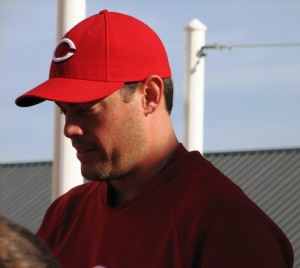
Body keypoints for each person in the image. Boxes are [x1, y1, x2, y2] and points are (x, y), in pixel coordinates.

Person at [15, 9, 294, 268]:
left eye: (86, 110)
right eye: (64, 111)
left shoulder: (229, 227)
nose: (70, 129)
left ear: (149, 95)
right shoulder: (64, 216)